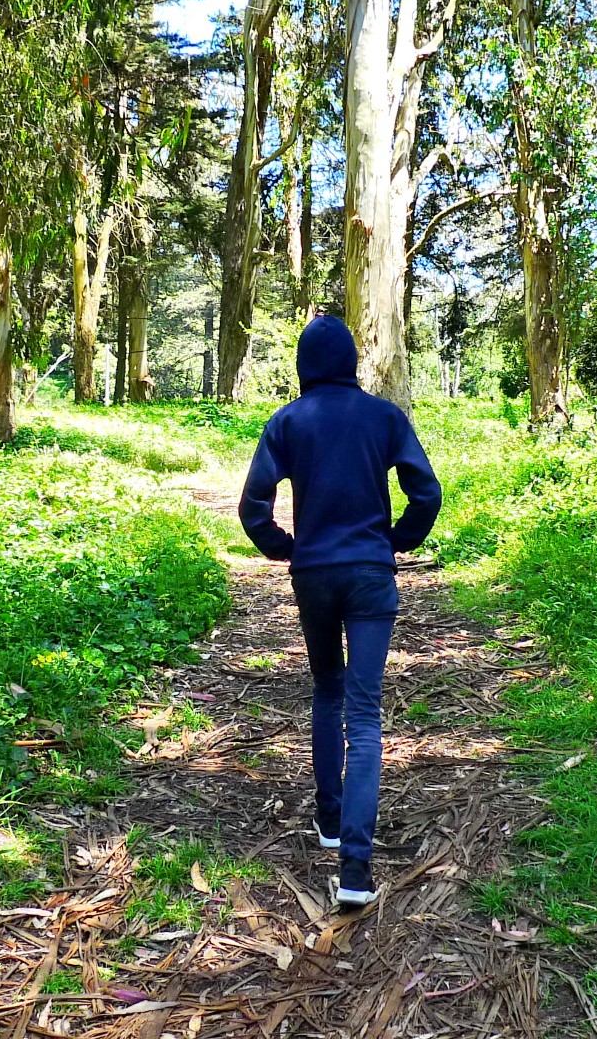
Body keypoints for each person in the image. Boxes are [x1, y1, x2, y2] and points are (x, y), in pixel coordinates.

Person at [239, 315, 442, 909]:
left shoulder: (288, 421)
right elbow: (424, 490)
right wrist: (401, 538)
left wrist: (286, 547)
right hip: (372, 575)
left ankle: (329, 821)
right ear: (352, 361)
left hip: (315, 575)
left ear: (304, 364)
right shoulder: (384, 417)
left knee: (326, 691)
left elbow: (255, 506)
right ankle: (356, 866)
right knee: (365, 710)